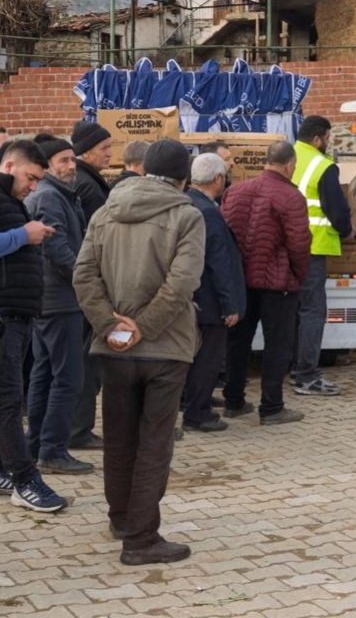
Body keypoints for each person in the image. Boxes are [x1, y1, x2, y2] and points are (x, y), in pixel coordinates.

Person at [72, 138, 205, 566]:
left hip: (113, 347)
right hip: (164, 347)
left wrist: (110, 326)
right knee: (153, 443)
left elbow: (83, 275)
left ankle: (122, 518)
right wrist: (142, 328)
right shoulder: (187, 215)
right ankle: (141, 537)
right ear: (184, 178)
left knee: (119, 436)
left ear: (144, 169)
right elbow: (183, 283)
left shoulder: (106, 210)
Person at [0, 139, 66, 512]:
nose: (34, 186)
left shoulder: (8, 200)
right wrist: (25, 235)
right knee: (8, 400)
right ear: (8, 166)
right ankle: (25, 480)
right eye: (31, 177)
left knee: (1, 398)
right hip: (2, 315)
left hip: (14, 313)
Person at [221, 141, 310, 426]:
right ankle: (271, 407)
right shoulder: (290, 196)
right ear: (288, 165)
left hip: (241, 280)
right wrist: (299, 275)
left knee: (237, 342)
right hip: (277, 282)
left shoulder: (235, 191)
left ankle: (233, 400)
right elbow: (299, 243)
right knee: (277, 345)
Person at [25, 134, 92, 475]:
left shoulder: (61, 194)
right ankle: (51, 450)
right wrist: (88, 280)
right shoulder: (50, 197)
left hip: (52, 299)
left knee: (46, 375)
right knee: (65, 377)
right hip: (58, 300)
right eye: (63, 160)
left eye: (72, 159)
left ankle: (37, 445)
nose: (70, 166)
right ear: (48, 164)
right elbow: (58, 250)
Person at [290, 116, 353, 397]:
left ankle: (293, 367)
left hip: (287, 247)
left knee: (292, 312)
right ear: (317, 139)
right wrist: (347, 230)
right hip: (313, 247)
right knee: (313, 312)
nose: (328, 143)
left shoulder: (287, 156)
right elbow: (337, 211)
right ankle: (306, 376)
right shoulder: (323, 166)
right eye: (328, 138)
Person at [183, 153, 245, 433]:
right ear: (218, 179)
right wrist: (229, 304)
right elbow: (218, 262)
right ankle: (199, 413)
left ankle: (192, 404)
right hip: (209, 301)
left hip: (193, 297)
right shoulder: (208, 211)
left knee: (194, 357)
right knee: (208, 359)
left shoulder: (187, 202)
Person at [69, 120, 112, 452]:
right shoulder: (88, 186)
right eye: (104, 148)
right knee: (88, 360)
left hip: (88, 282)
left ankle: (79, 425)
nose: (110, 154)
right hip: (89, 285)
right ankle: (79, 428)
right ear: (86, 151)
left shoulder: (88, 181)